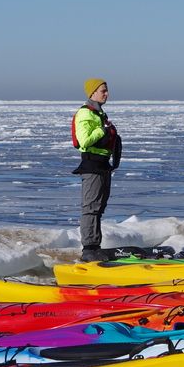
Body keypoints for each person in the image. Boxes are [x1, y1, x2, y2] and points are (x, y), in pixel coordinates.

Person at [72, 78, 122, 261]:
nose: (107, 94)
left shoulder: (99, 114)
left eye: (107, 90)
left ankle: (95, 247)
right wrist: (102, 130)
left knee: (99, 208)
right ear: (92, 93)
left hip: (103, 166)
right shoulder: (85, 114)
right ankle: (89, 249)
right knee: (91, 208)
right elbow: (84, 140)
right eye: (103, 91)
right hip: (91, 166)